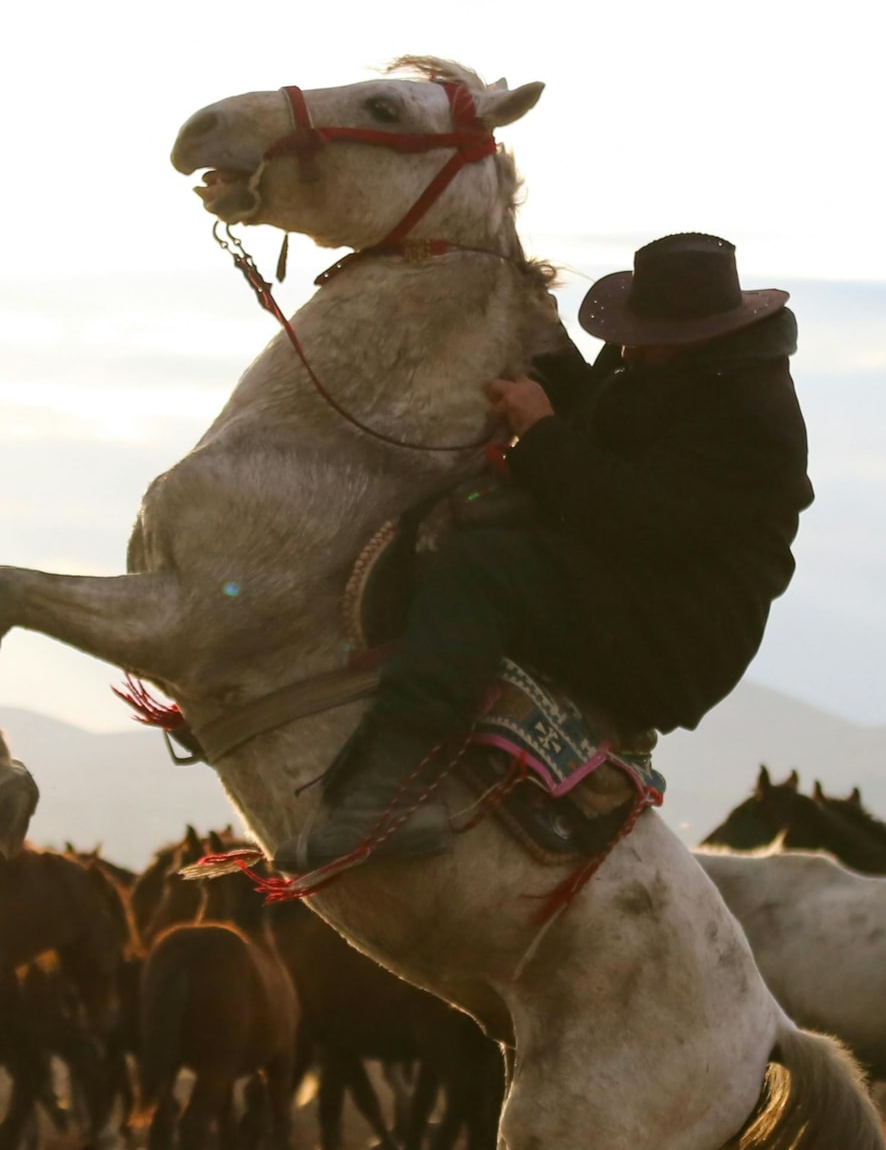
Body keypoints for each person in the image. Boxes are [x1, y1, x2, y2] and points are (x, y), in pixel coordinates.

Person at [273, 232, 812, 874]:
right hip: (640, 577)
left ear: (699, 337)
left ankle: (393, 798)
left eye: (647, 335)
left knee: (483, 570)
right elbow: (610, 422)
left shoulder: (754, 417)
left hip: (677, 629)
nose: (629, 346)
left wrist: (543, 431)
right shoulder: (667, 366)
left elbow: (642, 517)